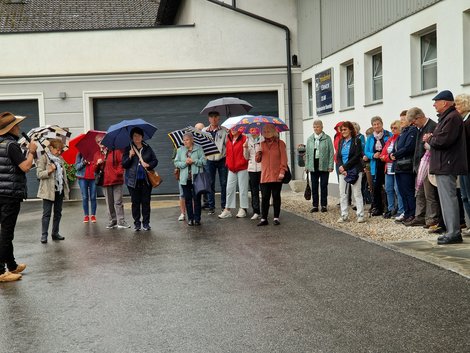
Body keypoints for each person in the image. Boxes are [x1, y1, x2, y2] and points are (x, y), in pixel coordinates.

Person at [423, 90, 468, 245]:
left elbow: (442, 141)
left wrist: (431, 138)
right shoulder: (448, 117)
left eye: (437, 101)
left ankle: (454, 233)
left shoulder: (452, 117)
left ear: (445, 102)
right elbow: (440, 138)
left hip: (447, 164)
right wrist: (433, 138)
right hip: (443, 164)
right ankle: (451, 231)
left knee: (449, 199)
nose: (434, 105)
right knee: (446, 199)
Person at [0, 112, 37, 282]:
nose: (19, 128)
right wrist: (31, 152)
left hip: (2, 192)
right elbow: (26, 167)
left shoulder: (3, 144)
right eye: (17, 125)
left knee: (5, 232)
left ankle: (12, 265)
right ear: (11, 128)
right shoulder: (11, 146)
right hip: (9, 194)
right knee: (6, 233)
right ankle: (1, 271)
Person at [408, 107, 439, 227]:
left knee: (429, 194)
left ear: (419, 117)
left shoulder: (432, 126)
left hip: (428, 165)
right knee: (419, 192)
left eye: (414, 121)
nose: (413, 124)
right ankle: (420, 216)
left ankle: (431, 218)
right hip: (420, 165)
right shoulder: (419, 128)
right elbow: (418, 147)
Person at [122, 127, 158, 231]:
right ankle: (137, 223)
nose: (137, 137)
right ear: (132, 137)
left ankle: (146, 223)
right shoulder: (128, 148)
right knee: (135, 203)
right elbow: (124, 165)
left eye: (139, 135)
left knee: (146, 202)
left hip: (146, 181)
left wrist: (148, 165)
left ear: (142, 137)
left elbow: (155, 161)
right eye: (135, 136)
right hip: (132, 181)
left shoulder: (147, 147)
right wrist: (129, 156)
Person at [37, 139, 69, 244]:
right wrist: (49, 171)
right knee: (46, 214)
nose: (59, 152)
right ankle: (44, 235)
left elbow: (63, 174)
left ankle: (55, 233)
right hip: (48, 191)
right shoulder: (44, 158)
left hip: (58, 190)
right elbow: (39, 174)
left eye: (60, 150)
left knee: (58, 213)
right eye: (57, 150)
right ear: (51, 148)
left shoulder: (60, 159)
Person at [93, 137, 130, 229]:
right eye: (98, 142)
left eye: (101, 140)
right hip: (105, 181)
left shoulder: (115, 151)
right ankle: (112, 221)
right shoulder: (97, 154)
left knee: (118, 202)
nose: (100, 143)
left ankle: (121, 221)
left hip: (117, 180)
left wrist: (118, 173)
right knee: (109, 203)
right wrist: (97, 164)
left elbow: (121, 163)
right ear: (97, 143)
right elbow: (94, 170)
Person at [255, 124, 288, 226]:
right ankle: (264, 218)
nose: (266, 133)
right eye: (264, 131)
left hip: (277, 174)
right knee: (265, 197)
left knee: (276, 196)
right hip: (265, 175)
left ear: (274, 132)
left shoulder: (280, 143)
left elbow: (284, 159)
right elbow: (258, 160)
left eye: (268, 131)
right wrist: (258, 153)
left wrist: (282, 171)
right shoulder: (261, 144)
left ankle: (276, 217)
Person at [390, 113, 418, 224]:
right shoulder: (402, 133)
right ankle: (406, 213)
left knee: (408, 191)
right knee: (401, 191)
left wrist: (395, 154)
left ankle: (412, 213)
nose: (401, 122)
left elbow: (408, 147)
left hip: (406, 166)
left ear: (409, 120)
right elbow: (396, 147)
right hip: (398, 166)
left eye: (403, 120)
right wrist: (391, 154)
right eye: (400, 120)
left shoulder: (412, 131)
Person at [174, 133, 206, 226]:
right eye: (184, 140)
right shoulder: (180, 150)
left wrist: (194, 161)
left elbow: (204, 161)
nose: (185, 142)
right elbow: (176, 163)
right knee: (187, 199)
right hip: (185, 179)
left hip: (196, 178)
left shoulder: (198, 149)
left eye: (187, 140)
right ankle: (190, 219)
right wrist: (185, 163)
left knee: (197, 199)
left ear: (192, 140)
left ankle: (197, 219)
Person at [336, 121, 365, 223]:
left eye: (345, 129)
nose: (343, 131)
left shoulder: (356, 141)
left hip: (355, 170)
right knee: (342, 194)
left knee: (357, 193)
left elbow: (357, 156)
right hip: (342, 171)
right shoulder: (341, 142)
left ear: (350, 130)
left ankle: (360, 214)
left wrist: (345, 167)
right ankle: (344, 214)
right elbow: (338, 156)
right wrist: (340, 167)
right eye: (342, 130)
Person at [364, 116, 392, 216]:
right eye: (374, 124)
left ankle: (389, 207)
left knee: (388, 186)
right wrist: (372, 155)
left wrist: (385, 155)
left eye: (378, 124)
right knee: (376, 187)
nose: (376, 126)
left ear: (382, 124)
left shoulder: (388, 134)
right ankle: (377, 207)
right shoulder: (370, 137)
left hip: (386, 163)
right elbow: (366, 151)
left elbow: (392, 146)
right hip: (375, 164)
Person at [218, 128, 249, 219]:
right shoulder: (229, 138)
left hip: (242, 167)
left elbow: (246, 153)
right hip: (232, 168)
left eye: (235, 128)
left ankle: (243, 209)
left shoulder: (244, 138)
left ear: (239, 129)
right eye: (231, 128)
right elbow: (228, 153)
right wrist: (228, 163)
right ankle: (227, 210)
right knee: (229, 188)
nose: (233, 130)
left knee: (243, 189)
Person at [305, 119, 334, 213]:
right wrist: (307, 166)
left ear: (322, 127)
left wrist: (330, 165)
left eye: (318, 127)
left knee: (323, 185)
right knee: (314, 186)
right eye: (314, 127)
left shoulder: (327, 138)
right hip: (313, 165)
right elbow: (308, 154)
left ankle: (324, 205)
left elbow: (331, 153)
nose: (316, 128)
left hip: (324, 165)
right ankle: (315, 205)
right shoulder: (310, 139)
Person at [203, 112, 228, 215]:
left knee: (223, 183)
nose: (213, 119)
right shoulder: (204, 131)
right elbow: (201, 144)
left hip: (222, 159)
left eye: (216, 117)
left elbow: (227, 145)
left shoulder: (224, 130)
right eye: (211, 117)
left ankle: (224, 206)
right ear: (209, 119)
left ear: (218, 118)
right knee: (210, 183)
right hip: (209, 160)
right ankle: (211, 207)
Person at [379, 120, 404, 219]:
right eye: (392, 128)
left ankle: (400, 210)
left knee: (398, 190)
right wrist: (389, 157)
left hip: (397, 168)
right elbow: (382, 155)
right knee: (389, 189)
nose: (393, 130)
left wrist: (387, 157)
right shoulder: (390, 139)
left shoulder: (400, 139)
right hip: (388, 169)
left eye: (395, 128)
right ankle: (390, 209)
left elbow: (397, 155)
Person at [455, 94, 470, 235]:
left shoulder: (468, 122)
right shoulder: (462, 121)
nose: (455, 107)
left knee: (468, 196)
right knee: (464, 196)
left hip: (468, 164)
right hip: (463, 165)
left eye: (458, 104)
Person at [243, 131, 263, 220]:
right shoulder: (248, 140)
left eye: (255, 129)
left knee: (264, 191)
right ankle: (256, 211)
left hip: (262, 168)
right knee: (254, 191)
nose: (253, 132)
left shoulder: (263, 139)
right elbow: (246, 157)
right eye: (251, 130)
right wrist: (245, 148)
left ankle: (264, 211)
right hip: (251, 169)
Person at [75, 152, 97, 223]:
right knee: (85, 197)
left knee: (93, 196)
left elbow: (99, 165)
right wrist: (84, 162)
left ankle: (93, 215)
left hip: (93, 177)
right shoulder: (80, 154)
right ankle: (86, 216)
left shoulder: (95, 153)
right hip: (83, 178)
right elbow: (77, 167)